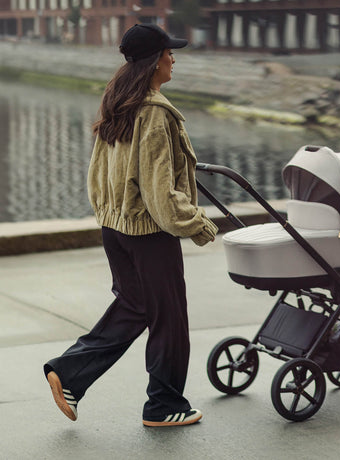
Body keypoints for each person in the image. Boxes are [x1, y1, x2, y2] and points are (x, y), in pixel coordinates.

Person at [44, 23, 218, 427]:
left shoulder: (117, 101)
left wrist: (112, 214)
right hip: (149, 232)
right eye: (169, 53)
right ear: (154, 61)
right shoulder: (155, 112)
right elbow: (159, 193)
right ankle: (163, 404)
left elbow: (99, 171)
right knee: (169, 318)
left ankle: (68, 373)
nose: (174, 59)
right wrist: (198, 225)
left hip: (116, 228)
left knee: (135, 305)